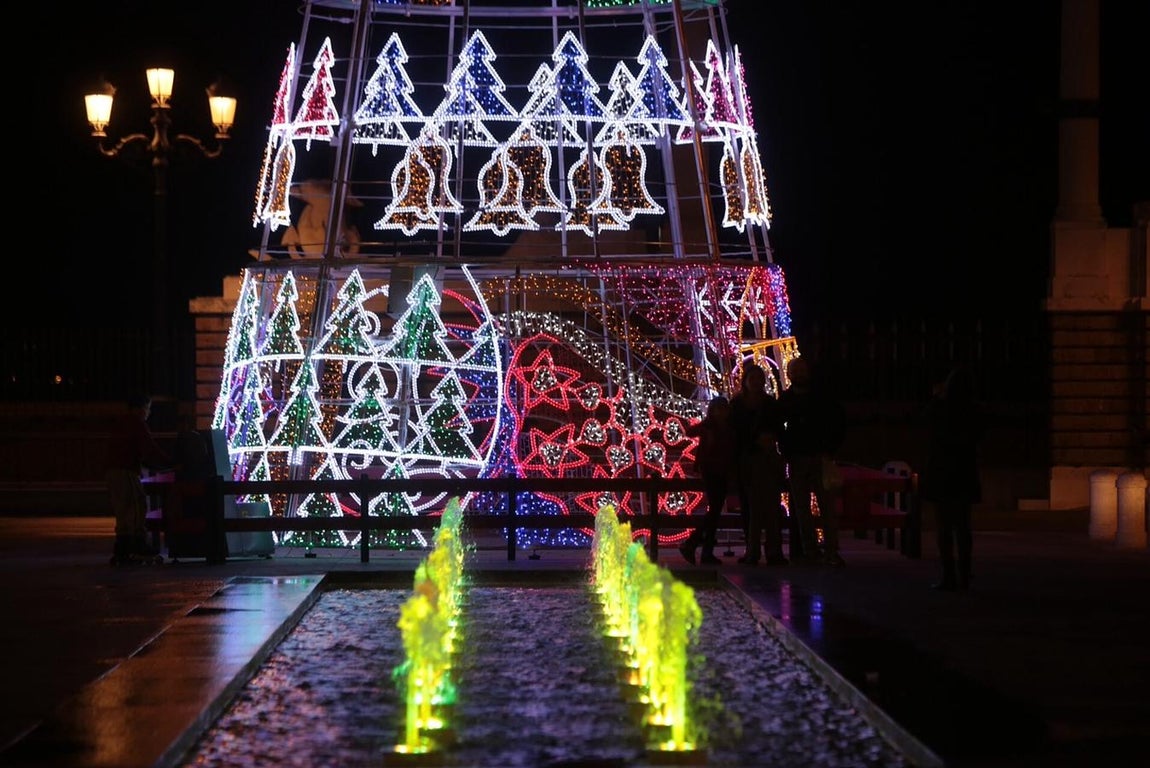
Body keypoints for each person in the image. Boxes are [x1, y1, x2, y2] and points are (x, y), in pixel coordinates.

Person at [777, 356, 848, 566]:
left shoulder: (822, 398)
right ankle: (810, 550)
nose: (799, 374)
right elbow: (780, 429)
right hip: (798, 459)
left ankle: (830, 550)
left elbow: (838, 423)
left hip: (820, 457)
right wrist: (786, 451)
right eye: (795, 371)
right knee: (801, 508)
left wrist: (830, 450)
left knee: (826, 507)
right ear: (790, 375)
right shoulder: (786, 400)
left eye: (802, 370)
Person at [920, 366, 983, 591]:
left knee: (944, 527)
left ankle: (948, 575)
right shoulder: (973, 410)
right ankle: (964, 574)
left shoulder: (941, 408)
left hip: (943, 472)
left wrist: (938, 398)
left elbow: (926, 426)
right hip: (964, 471)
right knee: (963, 527)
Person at [729, 361, 788, 565]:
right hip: (749, 458)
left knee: (772, 506)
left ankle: (774, 551)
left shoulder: (771, 404)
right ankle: (752, 550)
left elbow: (779, 429)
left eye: (759, 379)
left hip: (768, 457)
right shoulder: (737, 405)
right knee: (752, 507)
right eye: (752, 378)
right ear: (745, 381)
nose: (756, 382)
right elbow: (734, 432)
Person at [105, 393, 172, 564]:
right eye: (148, 408)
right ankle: (136, 544)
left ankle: (122, 547)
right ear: (141, 408)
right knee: (136, 505)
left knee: (123, 510)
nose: (148, 413)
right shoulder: (136, 423)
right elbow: (149, 448)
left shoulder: (122, 422)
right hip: (125, 470)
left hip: (114, 470)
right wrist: (170, 463)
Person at [679, 395, 735, 565]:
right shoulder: (709, 426)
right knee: (714, 511)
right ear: (712, 411)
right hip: (711, 471)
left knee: (715, 512)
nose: (721, 413)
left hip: (722, 471)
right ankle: (696, 545)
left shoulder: (729, 428)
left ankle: (700, 548)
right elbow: (690, 431)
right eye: (717, 409)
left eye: (723, 409)